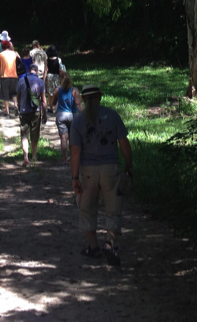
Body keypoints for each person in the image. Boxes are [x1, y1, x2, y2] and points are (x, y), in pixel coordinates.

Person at [70, 83, 132, 267]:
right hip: (110, 169)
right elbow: (124, 143)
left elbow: (75, 152)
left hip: (88, 171)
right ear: (100, 97)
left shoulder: (78, 121)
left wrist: (74, 178)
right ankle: (109, 242)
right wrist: (130, 166)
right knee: (113, 206)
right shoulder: (111, 115)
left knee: (86, 207)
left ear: (83, 98)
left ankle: (93, 247)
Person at [15, 63, 47, 167]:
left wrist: (18, 107)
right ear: (37, 71)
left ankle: (25, 158)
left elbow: (18, 97)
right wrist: (45, 113)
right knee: (35, 134)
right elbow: (43, 100)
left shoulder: (21, 81)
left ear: (29, 70)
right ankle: (33, 156)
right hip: (36, 111)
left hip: (24, 111)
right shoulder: (40, 82)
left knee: (24, 134)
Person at [49, 70, 82, 164]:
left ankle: (64, 160)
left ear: (61, 80)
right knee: (73, 138)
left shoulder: (57, 90)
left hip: (61, 115)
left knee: (63, 138)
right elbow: (78, 103)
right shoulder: (74, 90)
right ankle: (73, 158)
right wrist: (83, 113)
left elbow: (53, 103)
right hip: (73, 115)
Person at [0, 39, 20, 118]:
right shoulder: (14, 54)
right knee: (13, 93)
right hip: (14, 76)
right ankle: (16, 106)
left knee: (5, 95)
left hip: (4, 77)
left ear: (2, 47)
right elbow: (19, 61)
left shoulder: (0, 55)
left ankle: (7, 112)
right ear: (9, 46)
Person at [44, 45, 65, 110]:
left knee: (50, 94)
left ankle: (50, 108)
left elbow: (45, 70)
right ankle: (57, 108)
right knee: (58, 92)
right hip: (57, 77)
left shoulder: (46, 60)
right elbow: (61, 69)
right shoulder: (59, 60)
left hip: (49, 77)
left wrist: (43, 79)